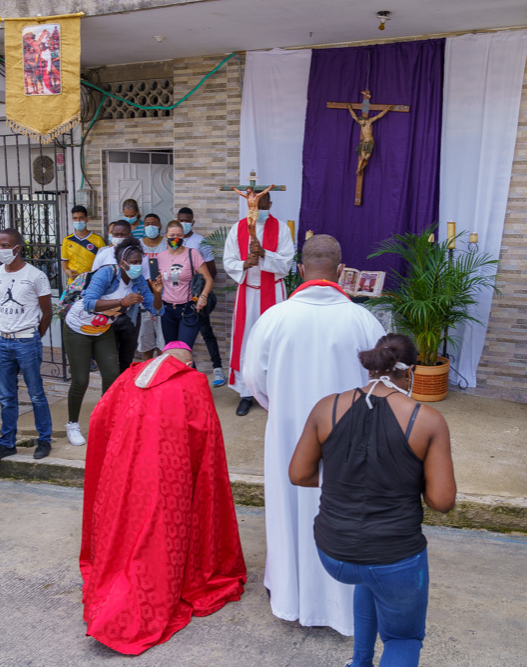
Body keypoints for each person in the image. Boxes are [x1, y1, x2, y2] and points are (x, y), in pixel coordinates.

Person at [242, 234, 386, 635]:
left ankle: (290, 594)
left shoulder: (274, 317)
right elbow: (382, 384)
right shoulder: (364, 320)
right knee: (346, 513)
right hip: (352, 435)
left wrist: (287, 410)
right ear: (341, 272)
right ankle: (342, 606)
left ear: (300, 270)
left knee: (289, 509)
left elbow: (254, 380)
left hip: (289, 433)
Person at [290, 334, 455, 665]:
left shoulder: (328, 407)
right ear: (409, 373)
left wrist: (345, 480)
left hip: (334, 553)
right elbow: (442, 500)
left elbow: (299, 474)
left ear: (371, 367)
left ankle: (359, 662)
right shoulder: (426, 420)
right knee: (403, 637)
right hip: (394, 556)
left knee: (368, 578)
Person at [79, 341, 246, 654]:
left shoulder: (129, 378)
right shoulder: (193, 382)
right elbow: (207, 435)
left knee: (127, 526)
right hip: (170, 473)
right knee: (160, 531)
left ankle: (117, 590)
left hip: (124, 471)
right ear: (186, 361)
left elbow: (99, 418)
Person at [64, 238, 163, 447]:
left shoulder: (137, 282)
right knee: (80, 380)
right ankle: (72, 424)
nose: (137, 265)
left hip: (102, 329)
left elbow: (156, 310)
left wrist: (157, 292)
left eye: (140, 261)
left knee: (112, 375)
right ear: (122, 262)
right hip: (78, 328)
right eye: (133, 261)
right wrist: (122, 302)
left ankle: (105, 421)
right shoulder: (107, 273)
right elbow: (90, 302)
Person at [0, 229, 53, 462]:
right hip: (3, 341)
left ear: (18, 247)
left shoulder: (36, 275)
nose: (1, 249)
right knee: (6, 397)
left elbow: (47, 312)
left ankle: (44, 440)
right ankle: (7, 443)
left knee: (36, 394)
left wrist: (34, 336)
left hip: (27, 340)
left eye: (5, 245)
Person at [224, 190, 295, 416]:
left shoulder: (282, 229)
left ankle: (271, 391)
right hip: (247, 293)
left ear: (270, 204)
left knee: (271, 342)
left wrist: (264, 254)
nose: (259, 211)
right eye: (255, 207)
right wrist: (245, 264)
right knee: (245, 341)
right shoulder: (237, 228)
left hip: (272, 293)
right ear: (248, 206)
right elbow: (228, 260)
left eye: (263, 206)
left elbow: (286, 264)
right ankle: (246, 394)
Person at [178, 207, 225, 387]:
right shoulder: (173, 242)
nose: (184, 223)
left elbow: (211, 271)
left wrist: (201, 291)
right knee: (182, 339)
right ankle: (190, 373)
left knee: (206, 331)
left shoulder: (200, 242)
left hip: (197, 296)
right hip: (177, 296)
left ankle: (218, 368)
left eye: (187, 220)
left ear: (193, 222)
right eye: (181, 220)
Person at [92, 220, 142, 373]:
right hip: (107, 314)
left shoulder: (139, 254)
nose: (119, 237)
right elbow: (93, 282)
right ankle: (109, 395)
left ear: (130, 236)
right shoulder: (103, 255)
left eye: (123, 235)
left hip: (130, 315)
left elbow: (145, 282)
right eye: (116, 234)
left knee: (126, 360)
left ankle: (123, 394)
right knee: (108, 361)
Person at [157, 220, 213, 349]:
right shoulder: (161, 257)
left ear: (183, 236)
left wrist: (203, 297)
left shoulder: (192, 254)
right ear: (165, 236)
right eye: (171, 236)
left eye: (179, 236)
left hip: (188, 309)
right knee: (172, 352)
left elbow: (208, 279)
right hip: (167, 310)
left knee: (184, 350)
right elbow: (158, 283)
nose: (175, 239)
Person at [138, 214, 167, 360]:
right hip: (143, 298)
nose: (150, 226)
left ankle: (159, 370)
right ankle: (147, 367)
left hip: (163, 298)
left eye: (154, 223)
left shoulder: (167, 244)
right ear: (144, 227)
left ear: (160, 226)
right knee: (146, 339)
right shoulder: (137, 245)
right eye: (147, 223)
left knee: (162, 340)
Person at [61, 205, 106, 284]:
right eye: (75, 218)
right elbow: (65, 261)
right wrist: (66, 270)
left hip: (92, 283)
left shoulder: (98, 240)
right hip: (73, 283)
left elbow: (104, 262)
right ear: (72, 219)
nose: (78, 221)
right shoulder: (67, 240)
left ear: (87, 219)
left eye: (81, 218)